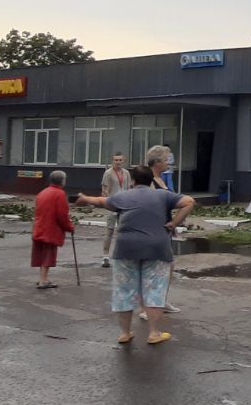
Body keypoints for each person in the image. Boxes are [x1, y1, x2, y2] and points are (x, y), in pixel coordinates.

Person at [77, 166, 194, 345]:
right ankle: (154, 333)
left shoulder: (123, 196)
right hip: (157, 248)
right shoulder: (163, 195)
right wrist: (174, 223)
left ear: (133, 181)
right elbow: (189, 201)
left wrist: (84, 198)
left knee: (123, 291)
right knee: (154, 290)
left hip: (126, 249)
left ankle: (125, 333)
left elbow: (101, 201)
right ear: (151, 180)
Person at [143, 145, 180, 314]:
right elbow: (149, 206)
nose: (168, 163)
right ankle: (146, 308)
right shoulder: (148, 180)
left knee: (169, 266)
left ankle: (161, 300)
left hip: (165, 229)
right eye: (166, 160)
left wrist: (172, 223)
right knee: (153, 269)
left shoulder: (160, 179)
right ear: (156, 162)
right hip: (154, 229)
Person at [31, 171, 75, 289]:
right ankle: (43, 281)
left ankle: (42, 278)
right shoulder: (59, 194)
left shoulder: (42, 192)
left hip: (39, 227)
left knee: (42, 254)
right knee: (48, 255)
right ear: (63, 181)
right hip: (50, 229)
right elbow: (62, 215)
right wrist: (70, 227)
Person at [99, 151, 131, 267]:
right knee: (110, 230)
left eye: (120, 160)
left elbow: (128, 189)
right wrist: (109, 203)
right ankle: (105, 256)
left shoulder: (126, 173)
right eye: (115, 160)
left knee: (124, 231)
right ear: (113, 161)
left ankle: (123, 256)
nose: (117, 162)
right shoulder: (108, 173)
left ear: (123, 161)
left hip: (124, 206)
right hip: (112, 206)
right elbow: (104, 190)